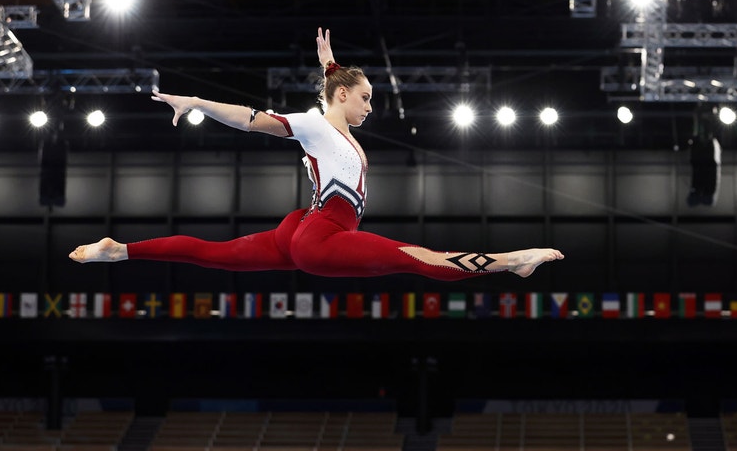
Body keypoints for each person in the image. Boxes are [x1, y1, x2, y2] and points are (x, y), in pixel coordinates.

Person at [69, 28, 564, 280]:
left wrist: (330, 65)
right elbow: (248, 118)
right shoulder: (311, 125)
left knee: (213, 253)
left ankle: (121, 250)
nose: (370, 107)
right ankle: (513, 260)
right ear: (344, 96)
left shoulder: (328, 122)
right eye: (366, 97)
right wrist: (198, 102)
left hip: (305, 227)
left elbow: (332, 100)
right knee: (420, 259)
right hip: (321, 234)